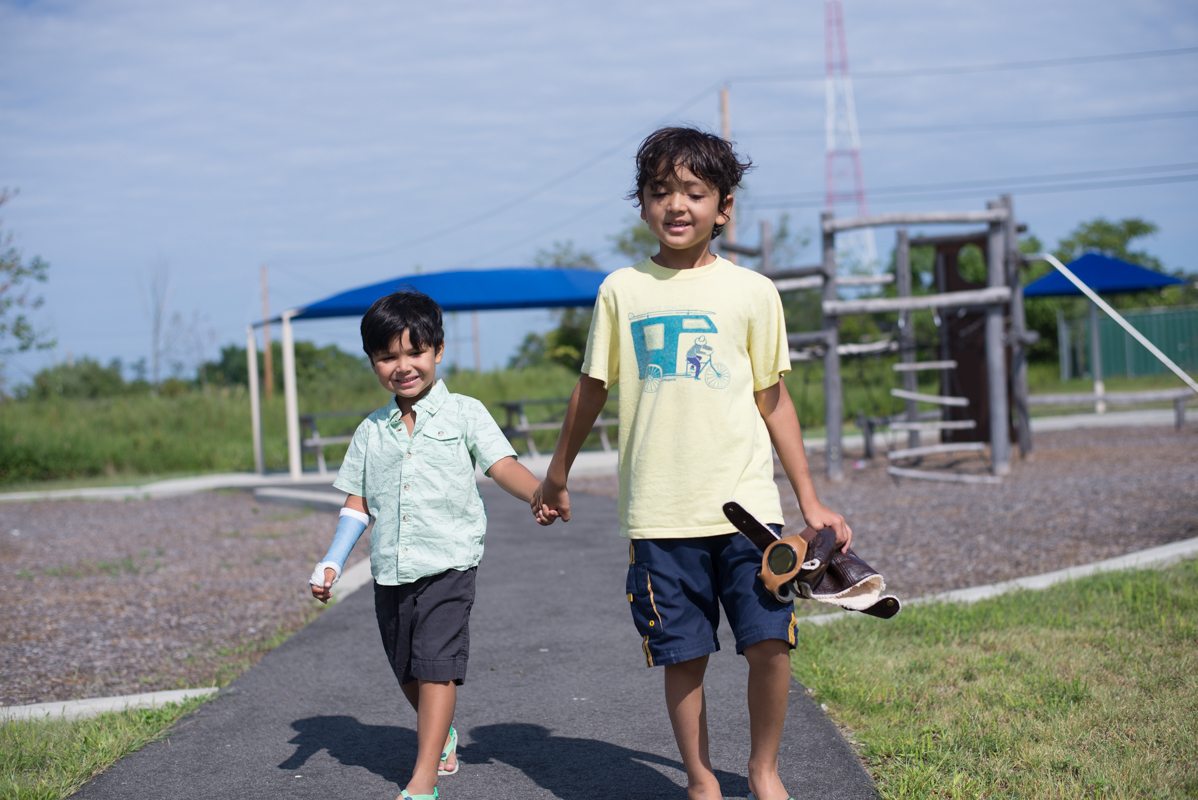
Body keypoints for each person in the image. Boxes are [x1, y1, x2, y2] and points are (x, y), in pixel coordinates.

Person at [531, 127, 853, 800]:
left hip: (748, 515)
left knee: (771, 643)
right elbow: (592, 387)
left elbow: (774, 400)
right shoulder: (622, 290)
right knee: (684, 656)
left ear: (723, 206)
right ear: (643, 205)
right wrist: (557, 472)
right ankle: (702, 780)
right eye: (659, 192)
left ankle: (764, 769)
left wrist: (811, 501)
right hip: (660, 514)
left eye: (694, 193)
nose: (676, 205)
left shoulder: (753, 292)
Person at [309, 289, 555, 800]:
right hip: (391, 568)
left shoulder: (465, 413)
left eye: (414, 352)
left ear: (438, 350)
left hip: (449, 562)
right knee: (406, 668)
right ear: (373, 362)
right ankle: (441, 734)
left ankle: (422, 780)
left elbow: (500, 464)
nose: (403, 366)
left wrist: (538, 493)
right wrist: (333, 560)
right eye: (388, 357)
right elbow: (358, 503)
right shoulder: (371, 432)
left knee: (436, 664)